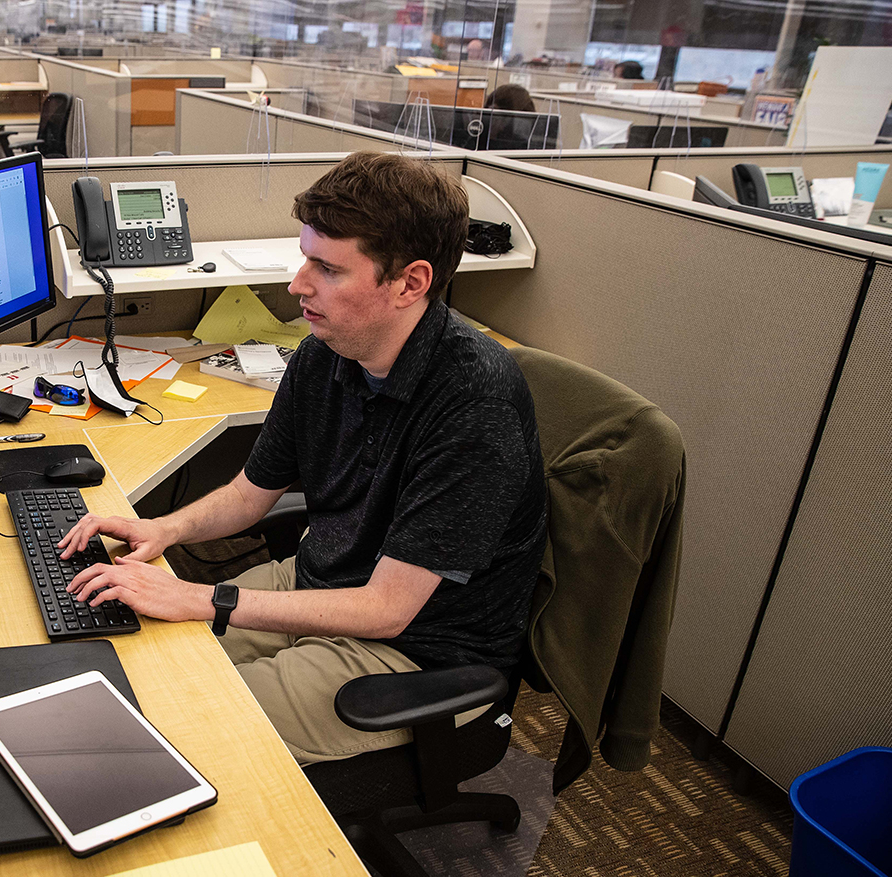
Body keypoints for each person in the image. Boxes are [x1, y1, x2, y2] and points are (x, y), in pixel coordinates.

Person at [59, 152, 548, 764]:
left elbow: (387, 609)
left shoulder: (474, 403)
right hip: (321, 580)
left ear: (410, 283)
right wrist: (166, 527)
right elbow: (248, 494)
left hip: (418, 650)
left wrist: (202, 598)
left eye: (328, 267)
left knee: (177, 720)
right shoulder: (326, 353)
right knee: (135, 655)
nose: (297, 284)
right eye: (304, 256)